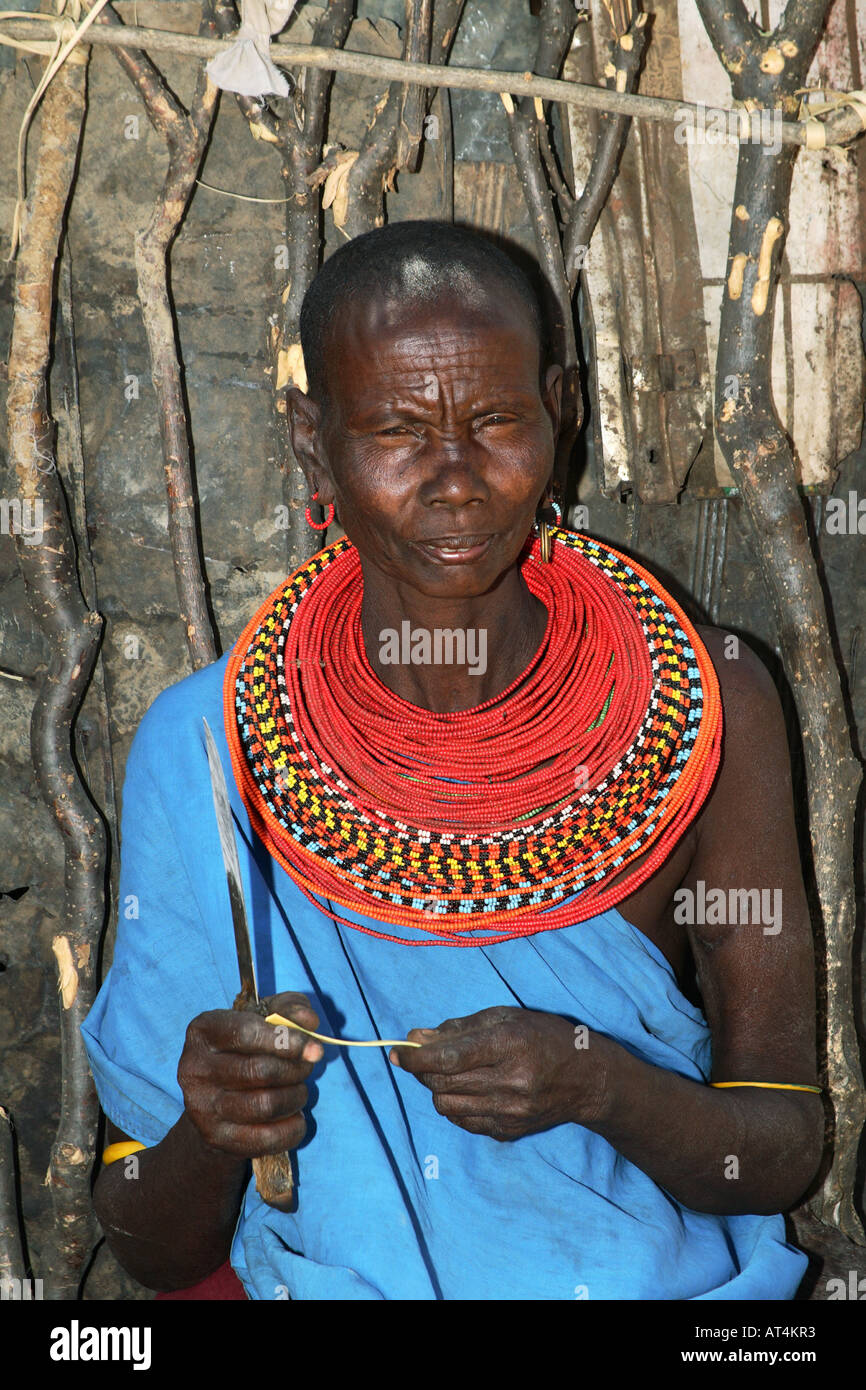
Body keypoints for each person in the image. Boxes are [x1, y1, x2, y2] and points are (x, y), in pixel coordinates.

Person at [81, 220, 823, 1301]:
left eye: (494, 422)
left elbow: (779, 1145)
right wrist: (213, 1126)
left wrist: (597, 1082)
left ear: (560, 412)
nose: (455, 482)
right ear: (310, 440)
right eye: (394, 430)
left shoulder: (705, 707)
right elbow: (152, 1245)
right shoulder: (211, 746)